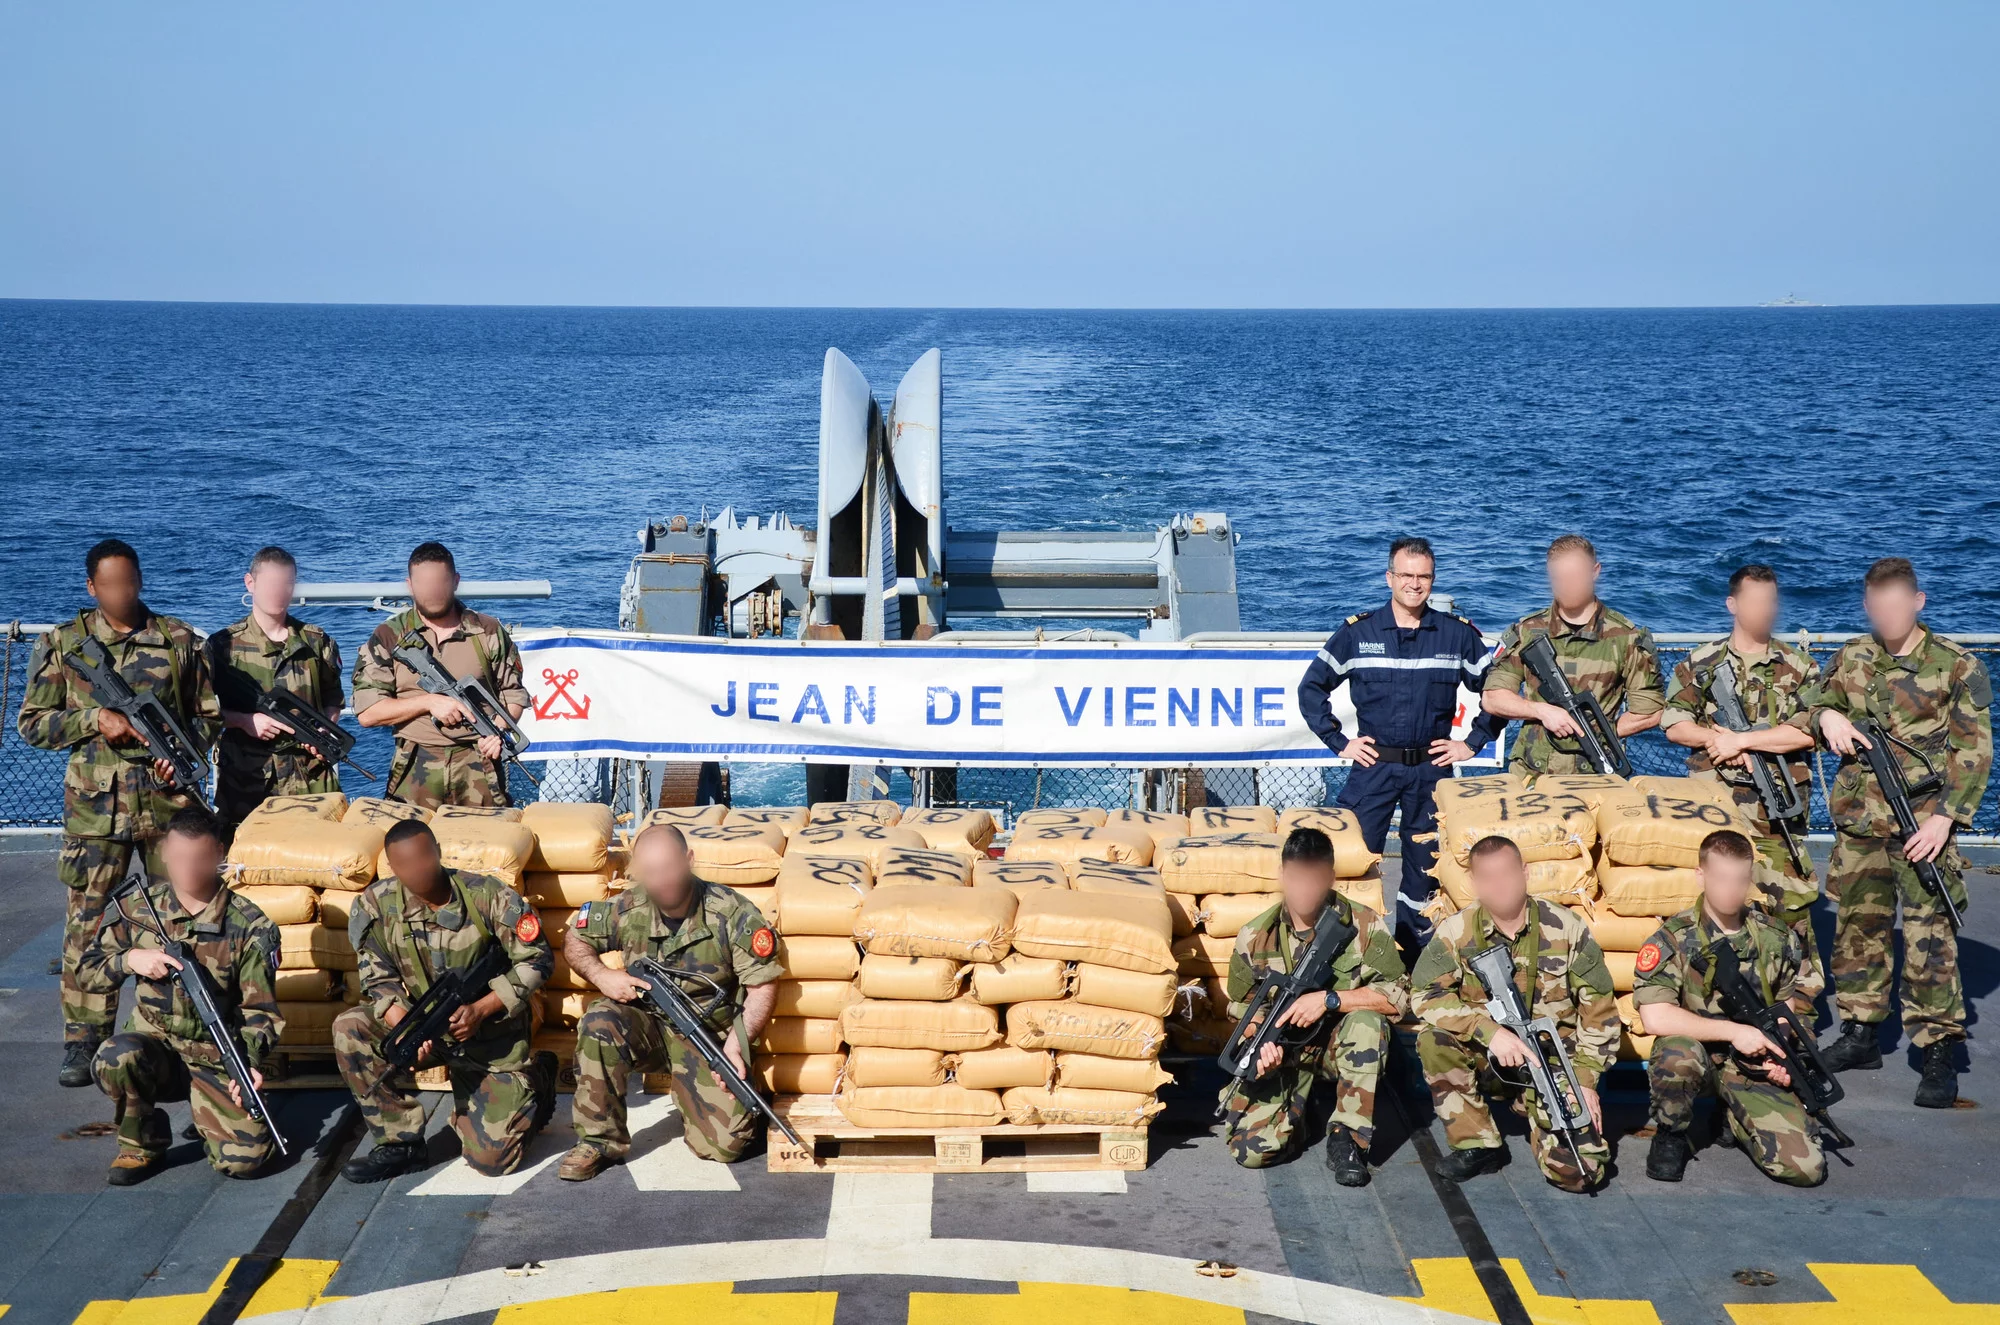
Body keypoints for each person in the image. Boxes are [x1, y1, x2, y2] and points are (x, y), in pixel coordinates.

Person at [16, 538, 220, 1087]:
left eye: (130, 582)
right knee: (86, 925)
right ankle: (83, 1040)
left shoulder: (177, 640)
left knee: (178, 916)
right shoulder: (65, 644)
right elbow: (33, 723)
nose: (122, 593)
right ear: (91, 587)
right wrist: (94, 721)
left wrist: (181, 760)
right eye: (110, 585)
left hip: (165, 807)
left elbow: (207, 717)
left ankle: (173, 1035)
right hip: (95, 811)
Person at [1789, 557, 1992, 1108]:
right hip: (1860, 821)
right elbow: (1813, 703)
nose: (1887, 615)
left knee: (1931, 937)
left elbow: (1972, 751)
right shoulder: (1854, 655)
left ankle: (1937, 1049)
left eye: (1896, 604)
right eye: (1877, 606)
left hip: (1923, 821)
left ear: (1918, 602)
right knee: (1860, 928)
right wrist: (1825, 718)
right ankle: (1860, 1033)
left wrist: (1945, 819)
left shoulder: (1956, 666)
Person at [1296, 537, 1502, 941]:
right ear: (1389, 578)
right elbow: (1311, 689)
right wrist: (1340, 743)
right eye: (1406, 575)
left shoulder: (1456, 635)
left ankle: (1415, 960)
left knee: (1426, 871)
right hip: (1374, 769)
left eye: (1423, 576)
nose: (1414, 584)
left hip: (1432, 770)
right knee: (1353, 863)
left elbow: (1498, 692)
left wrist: (1472, 742)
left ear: (1433, 580)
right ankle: (1350, 954)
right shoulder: (1358, 632)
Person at [334, 819, 557, 1182]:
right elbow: (378, 979)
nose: (416, 870)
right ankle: (400, 1144)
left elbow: (538, 960)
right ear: (392, 866)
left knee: (492, 1161)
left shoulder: (487, 896)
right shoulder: (375, 906)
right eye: (404, 864)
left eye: (424, 858)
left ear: (438, 853)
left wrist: (482, 1009)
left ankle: (537, 1079)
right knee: (350, 1027)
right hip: (426, 1026)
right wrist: (403, 1027)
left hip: (489, 1037)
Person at [559, 823, 783, 1178]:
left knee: (726, 1146)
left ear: (689, 860)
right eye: (650, 873)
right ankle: (598, 1140)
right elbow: (575, 939)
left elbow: (763, 985)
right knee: (599, 1021)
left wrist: (737, 1046)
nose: (661, 880)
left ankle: (695, 1097)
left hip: (705, 1036)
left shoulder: (731, 913)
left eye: (668, 868)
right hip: (646, 1026)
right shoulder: (629, 907)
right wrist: (603, 975)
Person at [76, 809, 284, 1185]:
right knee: (115, 1056)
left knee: (246, 1162)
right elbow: (86, 972)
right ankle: (142, 1143)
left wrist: (249, 1063)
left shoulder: (250, 926)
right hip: (155, 1047)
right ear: (164, 853)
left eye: (199, 858)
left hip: (216, 1053)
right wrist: (130, 959)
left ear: (219, 854)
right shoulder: (137, 909)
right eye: (179, 857)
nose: (187, 869)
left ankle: (210, 1114)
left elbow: (261, 1012)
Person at [1411, 835, 1620, 1193]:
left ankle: (1533, 1108)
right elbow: (1424, 995)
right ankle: (1478, 1143)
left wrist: (1584, 1081)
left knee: (1579, 1173)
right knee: (1433, 1039)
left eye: (1507, 874)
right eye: (1488, 877)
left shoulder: (1566, 928)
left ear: (1524, 873)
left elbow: (1600, 1012)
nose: (1499, 885)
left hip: (1553, 1062)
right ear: (1474, 883)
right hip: (1489, 1057)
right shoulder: (1456, 932)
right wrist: (1488, 1031)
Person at [1659, 563, 1825, 1005]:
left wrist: (1746, 740)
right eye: (1754, 602)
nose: (1764, 611)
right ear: (1733, 605)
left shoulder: (1800, 667)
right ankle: (1716, 1003)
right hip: (1715, 807)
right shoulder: (1701, 663)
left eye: (1771, 602)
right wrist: (1718, 739)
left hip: (1777, 813)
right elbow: (1674, 723)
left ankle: (1797, 1009)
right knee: (1717, 905)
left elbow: (1810, 731)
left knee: (1789, 908)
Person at [1634, 830, 1827, 1187]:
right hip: (1699, 1058)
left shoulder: (1775, 937)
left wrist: (1777, 1053)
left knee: (1806, 1169)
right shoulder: (1673, 937)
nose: (1731, 890)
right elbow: (1654, 1016)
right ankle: (1672, 1134)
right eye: (1721, 878)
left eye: (1740, 880)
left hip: (1752, 1065)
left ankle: (1734, 1119)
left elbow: (1787, 1004)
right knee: (1676, 1053)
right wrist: (1736, 1032)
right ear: (1700, 875)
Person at [1219, 828, 1407, 1185]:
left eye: (1315, 879)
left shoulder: (1362, 924)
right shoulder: (1256, 936)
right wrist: (1258, 1036)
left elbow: (1399, 995)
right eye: (1296, 879)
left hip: (1340, 1048)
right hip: (1286, 1054)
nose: (1304, 890)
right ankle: (1300, 1119)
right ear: (1282, 876)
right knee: (1251, 1152)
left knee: (1367, 1023)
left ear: (1331, 878)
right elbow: (1240, 1005)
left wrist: (1329, 999)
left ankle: (1348, 1141)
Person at [351, 542, 528, 809]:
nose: (432, 591)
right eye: (423, 583)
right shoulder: (388, 635)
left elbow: (513, 695)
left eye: (440, 582)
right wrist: (429, 702)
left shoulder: (488, 631)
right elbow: (367, 713)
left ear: (456, 581)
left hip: (477, 763)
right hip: (414, 762)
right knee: (412, 845)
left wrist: (497, 731)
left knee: (484, 844)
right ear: (409, 585)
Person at [1481, 534, 1664, 775]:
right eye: (1560, 577)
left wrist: (1598, 731)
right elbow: (1493, 698)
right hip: (1533, 773)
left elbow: (1650, 712)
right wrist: (1541, 711)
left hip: (1595, 770)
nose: (1568, 584)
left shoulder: (1626, 637)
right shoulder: (1527, 631)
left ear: (1595, 571)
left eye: (1575, 575)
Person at [207, 546, 347, 836]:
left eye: (287, 583)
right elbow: (202, 710)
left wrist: (326, 728)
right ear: (251, 583)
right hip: (249, 779)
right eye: (271, 583)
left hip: (309, 777)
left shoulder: (316, 642)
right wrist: (244, 721)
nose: (279, 591)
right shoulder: (222, 647)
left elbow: (334, 698)